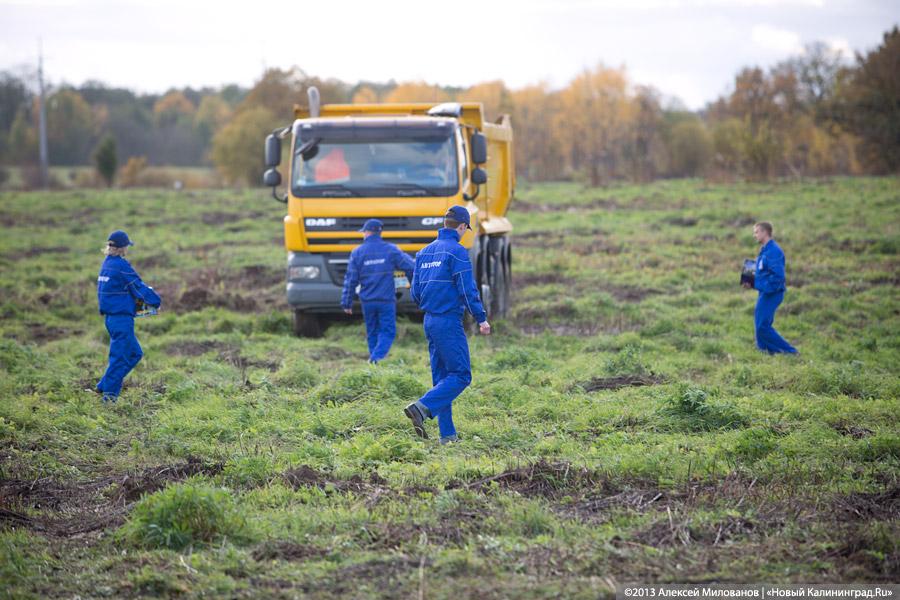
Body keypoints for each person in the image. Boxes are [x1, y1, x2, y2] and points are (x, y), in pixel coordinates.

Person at [404, 206, 491, 445]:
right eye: (465, 229)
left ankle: (448, 436)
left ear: (445, 224)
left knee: (442, 378)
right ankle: (422, 408)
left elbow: (415, 293)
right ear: (462, 226)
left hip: (429, 320)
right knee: (461, 375)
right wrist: (481, 318)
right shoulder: (457, 252)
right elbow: (466, 289)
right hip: (448, 321)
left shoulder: (423, 253)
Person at [96, 230, 161, 403]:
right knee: (120, 357)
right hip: (121, 319)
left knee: (134, 353)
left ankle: (104, 384)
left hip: (111, 318)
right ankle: (109, 398)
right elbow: (138, 287)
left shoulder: (107, 264)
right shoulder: (121, 266)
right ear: (123, 247)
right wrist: (156, 300)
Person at [341, 219, 416, 363]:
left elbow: (351, 279)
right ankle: (375, 359)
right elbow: (411, 266)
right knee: (387, 332)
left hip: (367, 301)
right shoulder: (391, 249)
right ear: (379, 232)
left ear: (367, 233)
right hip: (386, 300)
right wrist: (413, 285)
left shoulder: (357, 253)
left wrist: (346, 302)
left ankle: (374, 363)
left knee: (372, 332)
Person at [743, 221, 798, 355]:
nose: (754, 235)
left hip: (772, 293)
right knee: (759, 324)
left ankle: (790, 352)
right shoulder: (764, 250)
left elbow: (778, 277)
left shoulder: (774, 251)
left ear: (764, 232)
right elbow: (763, 271)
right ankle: (764, 351)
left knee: (763, 326)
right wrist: (749, 279)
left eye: (756, 232)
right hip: (764, 292)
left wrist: (757, 284)